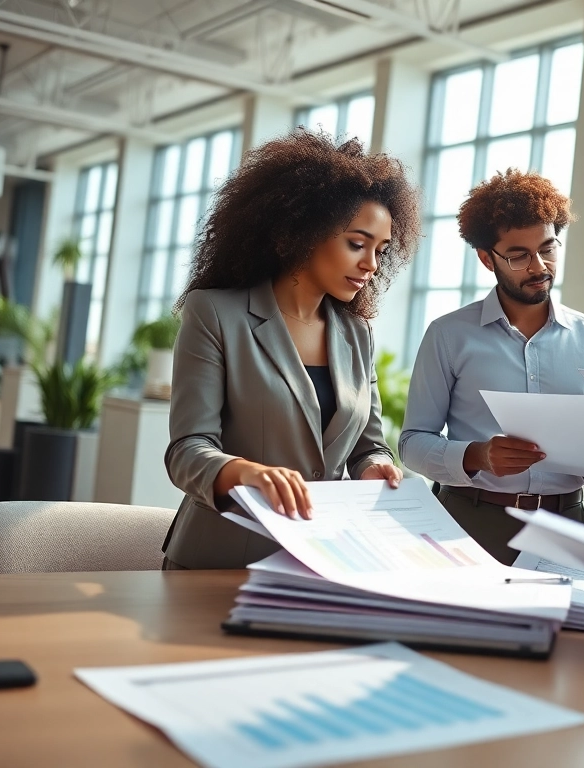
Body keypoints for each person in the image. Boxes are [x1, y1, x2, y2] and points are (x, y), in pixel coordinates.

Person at [163, 129, 420, 570]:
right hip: (219, 558)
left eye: (381, 250)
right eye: (356, 243)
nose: (371, 264)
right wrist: (247, 473)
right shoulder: (216, 314)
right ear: (302, 232)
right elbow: (188, 449)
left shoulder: (357, 333)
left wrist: (375, 467)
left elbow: (367, 446)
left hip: (320, 559)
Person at [399, 169, 584, 565]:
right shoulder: (449, 335)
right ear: (486, 258)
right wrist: (476, 456)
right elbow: (412, 442)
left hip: (566, 526)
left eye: (548, 248)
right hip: (469, 522)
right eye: (518, 256)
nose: (538, 266)